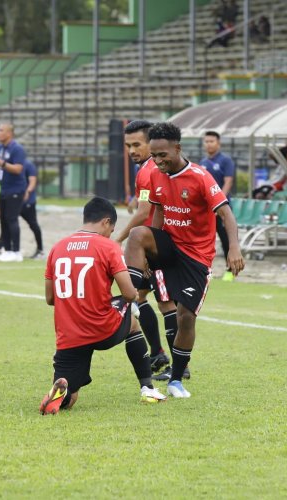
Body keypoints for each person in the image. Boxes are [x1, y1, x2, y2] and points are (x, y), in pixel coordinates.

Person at [124, 122, 244, 398]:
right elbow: (156, 212)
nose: (158, 161)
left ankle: (177, 379)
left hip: (195, 257)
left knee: (185, 317)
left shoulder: (200, 177)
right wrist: (149, 252)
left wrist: (234, 249)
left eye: (163, 155)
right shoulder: (155, 174)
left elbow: (226, 214)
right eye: (153, 155)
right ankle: (128, 298)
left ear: (177, 148)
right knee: (138, 233)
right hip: (169, 246)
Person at [38, 197, 166, 414]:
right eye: (112, 229)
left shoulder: (57, 248)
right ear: (106, 222)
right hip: (101, 327)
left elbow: (51, 299)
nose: (110, 234)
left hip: (69, 335)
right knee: (133, 322)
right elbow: (128, 293)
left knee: (72, 396)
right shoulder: (108, 247)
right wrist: (131, 296)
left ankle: (62, 393)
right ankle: (148, 388)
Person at [114, 120, 176, 380]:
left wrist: (118, 239)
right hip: (150, 245)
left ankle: (178, 367)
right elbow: (146, 204)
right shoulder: (147, 169)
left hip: (161, 242)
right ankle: (158, 352)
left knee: (167, 303)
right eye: (128, 145)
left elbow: (144, 213)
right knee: (139, 296)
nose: (131, 150)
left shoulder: (150, 169)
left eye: (137, 144)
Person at [199, 130, 237, 281]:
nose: (208, 144)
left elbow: (228, 182)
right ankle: (205, 269)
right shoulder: (202, 163)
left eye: (211, 141)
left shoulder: (225, 161)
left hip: (221, 209)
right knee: (205, 240)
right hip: (206, 211)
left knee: (226, 239)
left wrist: (217, 203)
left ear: (218, 143)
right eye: (206, 141)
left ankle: (231, 271)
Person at [0, 123, 27, 262]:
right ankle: (7, 249)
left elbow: (18, 169)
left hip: (15, 189)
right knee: (3, 220)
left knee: (11, 219)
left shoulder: (17, 149)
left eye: (1, 130)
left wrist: (2, 163)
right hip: (3, 189)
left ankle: (16, 251)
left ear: (9, 133)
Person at [20, 159, 44, 259]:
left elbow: (32, 181)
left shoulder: (27, 164)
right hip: (13, 200)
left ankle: (40, 250)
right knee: (8, 222)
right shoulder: (10, 165)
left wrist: (27, 192)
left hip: (27, 202)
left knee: (33, 224)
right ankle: (1, 246)